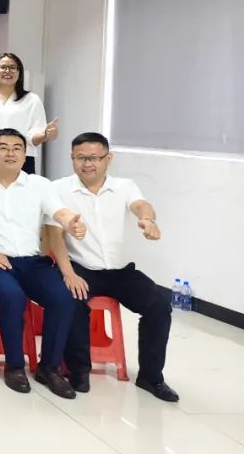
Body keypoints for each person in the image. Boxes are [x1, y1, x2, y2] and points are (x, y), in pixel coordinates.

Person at [46, 132, 178, 402]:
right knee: (72, 301)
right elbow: (53, 234)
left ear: (109, 159)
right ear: (72, 159)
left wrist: (149, 220)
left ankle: (151, 377)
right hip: (81, 267)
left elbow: (141, 205)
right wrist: (67, 273)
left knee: (159, 305)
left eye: (94, 158)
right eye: (81, 158)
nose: (88, 164)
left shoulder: (125, 187)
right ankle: (78, 371)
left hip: (121, 271)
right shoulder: (58, 188)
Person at [0, 128, 87, 399]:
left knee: (64, 298)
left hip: (33, 262)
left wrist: (70, 223)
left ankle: (49, 367)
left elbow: (59, 212)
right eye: (3, 147)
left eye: (17, 147)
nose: (10, 153)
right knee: (12, 297)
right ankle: (15, 366)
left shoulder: (40, 185)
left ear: (25, 153)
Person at [0, 53, 55, 174]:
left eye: (13, 67)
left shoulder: (32, 100)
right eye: (3, 67)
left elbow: (34, 137)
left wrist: (45, 135)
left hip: (23, 160)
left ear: (19, 72)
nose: (7, 71)